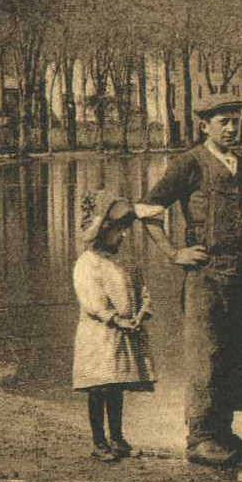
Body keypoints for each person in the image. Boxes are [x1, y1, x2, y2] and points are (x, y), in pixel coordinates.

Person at [135, 92, 242, 466]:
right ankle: (199, 440)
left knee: (236, 354)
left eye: (236, 120)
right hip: (205, 277)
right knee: (206, 355)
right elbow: (148, 211)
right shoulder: (190, 163)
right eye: (223, 121)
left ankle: (224, 435)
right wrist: (175, 253)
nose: (231, 127)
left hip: (241, 274)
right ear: (204, 125)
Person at [70, 195, 155, 460]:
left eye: (126, 230)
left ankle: (117, 438)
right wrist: (115, 318)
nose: (124, 236)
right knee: (99, 388)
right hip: (98, 335)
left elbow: (141, 290)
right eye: (119, 230)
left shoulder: (125, 262)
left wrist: (141, 312)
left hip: (124, 333)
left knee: (116, 386)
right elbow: (92, 299)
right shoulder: (88, 263)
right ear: (104, 231)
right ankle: (99, 443)